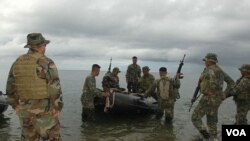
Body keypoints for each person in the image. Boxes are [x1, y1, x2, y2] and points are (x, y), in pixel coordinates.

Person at [6, 33, 63, 141]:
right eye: (45, 45)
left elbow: (10, 87)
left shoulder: (17, 62)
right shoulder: (46, 62)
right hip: (45, 112)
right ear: (42, 46)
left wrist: (15, 105)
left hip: (25, 112)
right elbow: (54, 88)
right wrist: (57, 108)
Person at [191, 53, 235, 139]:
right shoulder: (220, 70)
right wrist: (224, 94)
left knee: (195, 118)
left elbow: (209, 84)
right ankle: (213, 137)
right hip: (217, 100)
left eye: (205, 60)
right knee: (211, 121)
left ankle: (206, 136)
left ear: (209, 61)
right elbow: (232, 82)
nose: (205, 62)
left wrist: (209, 92)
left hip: (208, 98)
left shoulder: (209, 70)